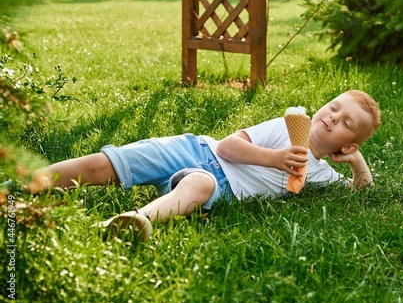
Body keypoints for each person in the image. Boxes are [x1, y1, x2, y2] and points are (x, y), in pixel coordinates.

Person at [30, 89, 381, 242]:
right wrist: (275, 159)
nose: (334, 118)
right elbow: (228, 146)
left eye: (347, 123)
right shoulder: (286, 126)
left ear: (347, 143)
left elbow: (362, 190)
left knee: (200, 185)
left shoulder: (321, 175)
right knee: (105, 165)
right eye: (335, 107)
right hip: (196, 149)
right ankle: (28, 181)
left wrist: (356, 159)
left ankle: (134, 220)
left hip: (218, 186)